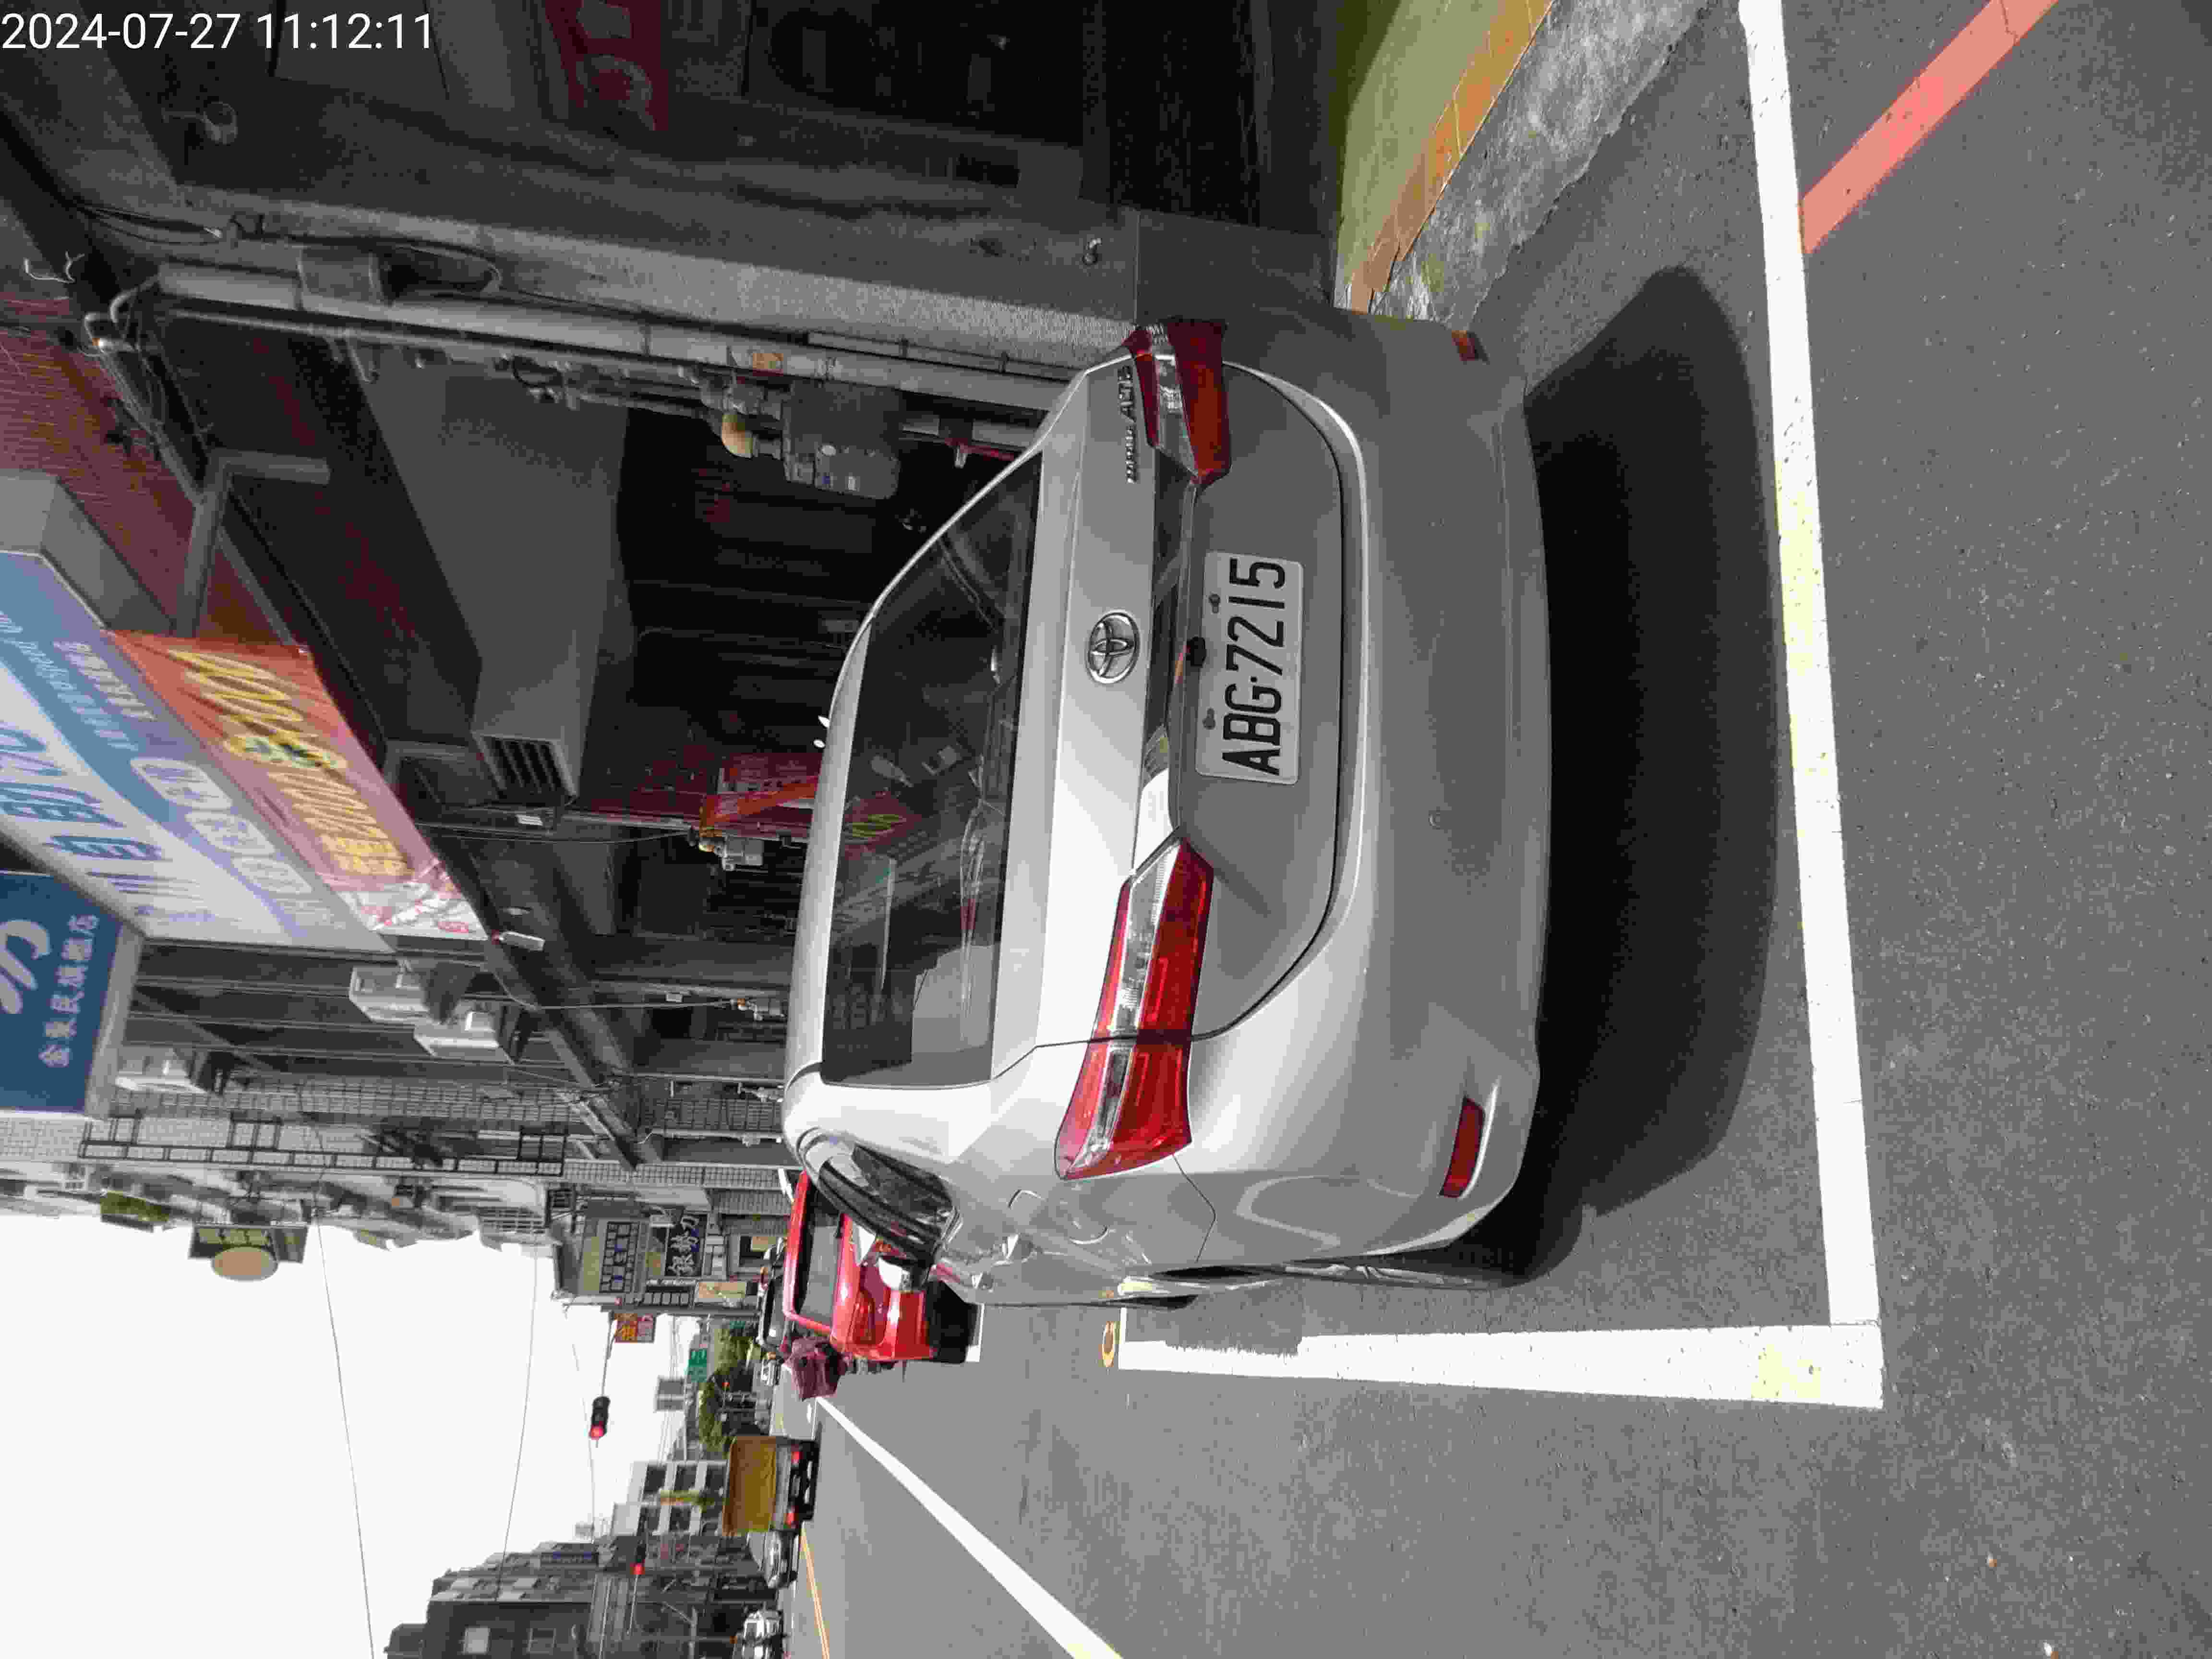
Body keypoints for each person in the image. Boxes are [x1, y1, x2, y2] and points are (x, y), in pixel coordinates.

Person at [785, 1332, 845, 1401]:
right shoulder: (797, 1347)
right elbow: (816, 1343)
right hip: (826, 1364)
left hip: (826, 1382)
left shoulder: (796, 1353)